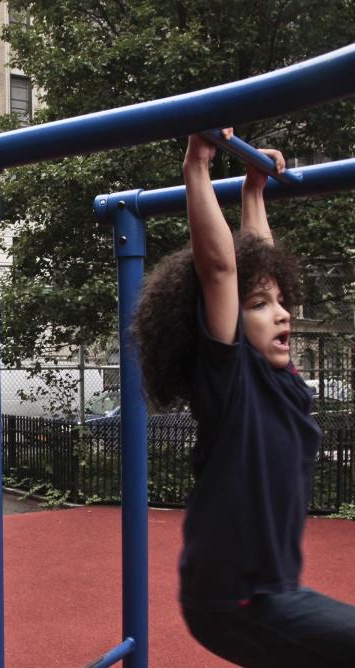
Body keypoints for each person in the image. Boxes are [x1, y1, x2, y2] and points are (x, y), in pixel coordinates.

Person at [132, 130, 355, 667]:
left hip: (271, 593)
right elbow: (222, 269)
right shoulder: (231, 382)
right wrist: (198, 166)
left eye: (283, 302)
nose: (281, 312)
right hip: (234, 599)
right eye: (259, 306)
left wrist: (255, 192)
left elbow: (259, 265)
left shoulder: (286, 381)